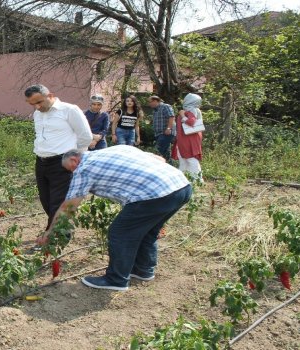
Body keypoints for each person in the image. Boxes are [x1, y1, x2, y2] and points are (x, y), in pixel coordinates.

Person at [39, 146, 191, 291]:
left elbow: (68, 207)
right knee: (148, 231)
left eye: (70, 170)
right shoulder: (117, 149)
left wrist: (50, 232)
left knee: (119, 233)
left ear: (74, 161)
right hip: (181, 186)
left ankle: (116, 280)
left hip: (154, 195)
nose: (72, 174)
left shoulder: (83, 169)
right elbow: (159, 159)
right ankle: (143, 270)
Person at [24, 84, 93, 231]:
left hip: (62, 162)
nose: (36, 107)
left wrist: (74, 159)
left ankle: (53, 238)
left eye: (39, 102)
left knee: (58, 202)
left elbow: (85, 137)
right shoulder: (38, 113)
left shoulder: (69, 110)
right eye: (32, 104)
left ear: (50, 95)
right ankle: (61, 229)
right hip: (41, 161)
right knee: (46, 200)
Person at [173, 93, 204, 181]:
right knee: (183, 159)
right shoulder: (190, 110)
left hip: (188, 139)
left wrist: (182, 115)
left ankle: (197, 179)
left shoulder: (191, 111)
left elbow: (191, 122)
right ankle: (182, 179)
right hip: (185, 139)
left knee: (190, 159)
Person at [148, 96, 176, 163]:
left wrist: (169, 128)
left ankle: (156, 167)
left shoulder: (165, 106)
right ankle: (170, 167)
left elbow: (171, 117)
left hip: (165, 133)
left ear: (155, 101)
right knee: (166, 153)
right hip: (159, 134)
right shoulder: (155, 110)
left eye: (150, 102)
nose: (149, 104)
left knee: (158, 151)